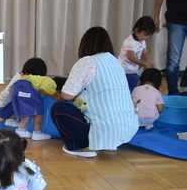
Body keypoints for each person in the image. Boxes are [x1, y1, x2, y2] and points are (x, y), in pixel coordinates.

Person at [51, 26, 139, 157]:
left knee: (58, 108)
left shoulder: (87, 62)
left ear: (85, 45)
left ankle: (76, 147)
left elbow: (67, 95)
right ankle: (109, 143)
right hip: (128, 129)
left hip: (104, 130)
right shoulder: (116, 62)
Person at [10, 57, 59, 141]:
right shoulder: (46, 80)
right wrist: (55, 96)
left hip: (15, 89)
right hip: (28, 91)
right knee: (38, 111)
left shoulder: (25, 77)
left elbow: (11, 88)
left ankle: (21, 129)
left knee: (28, 110)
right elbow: (44, 89)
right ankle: (37, 132)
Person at [154, 0, 187, 95]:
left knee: (173, 59)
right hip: (176, 20)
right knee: (173, 59)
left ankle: (185, 86)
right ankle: (173, 93)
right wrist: (156, 16)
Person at [118, 16, 157, 92]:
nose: (146, 37)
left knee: (134, 87)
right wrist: (144, 64)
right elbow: (131, 57)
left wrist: (150, 61)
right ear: (137, 30)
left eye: (149, 35)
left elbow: (145, 52)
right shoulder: (130, 41)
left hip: (133, 70)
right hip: (125, 70)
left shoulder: (141, 40)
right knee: (129, 89)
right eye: (145, 34)